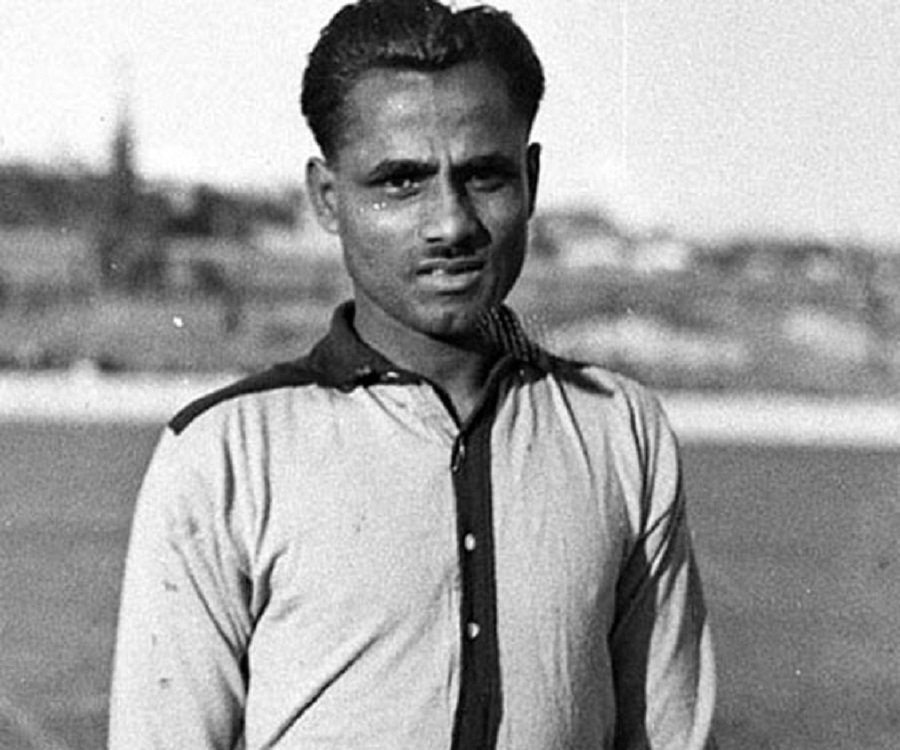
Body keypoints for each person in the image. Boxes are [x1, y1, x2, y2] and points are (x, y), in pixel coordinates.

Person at [109, 1, 717, 747]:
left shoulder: (620, 431)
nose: (451, 223)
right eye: (401, 182)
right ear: (328, 199)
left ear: (530, 180)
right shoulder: (223, 454)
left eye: (484, 176)